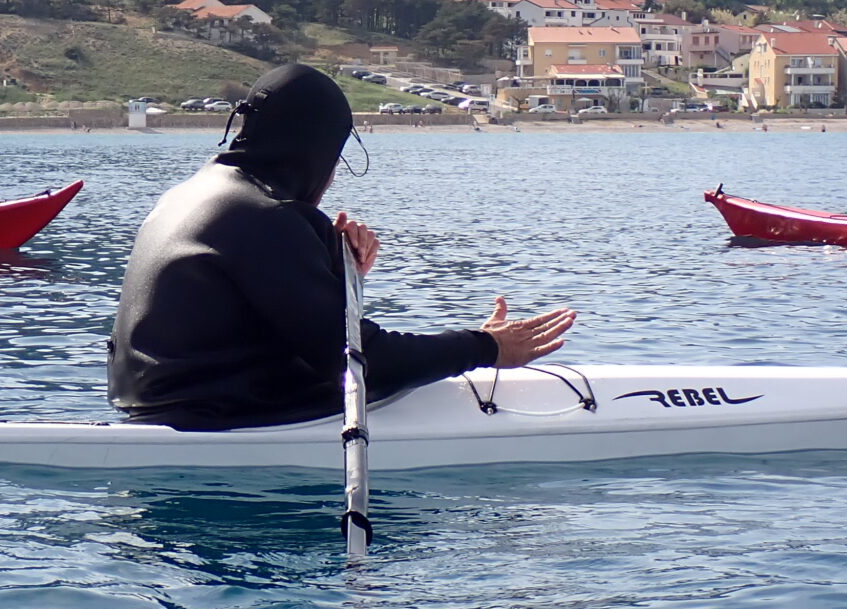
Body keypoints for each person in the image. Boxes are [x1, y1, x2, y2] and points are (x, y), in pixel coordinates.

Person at [109, 63, 577, 430]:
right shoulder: (267, 216)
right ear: (316, 151)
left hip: (151, 404)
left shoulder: (192, 194)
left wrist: (338, 269)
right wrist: (486, 347)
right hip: (223, 417)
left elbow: (246, 313)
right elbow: (362, 360)